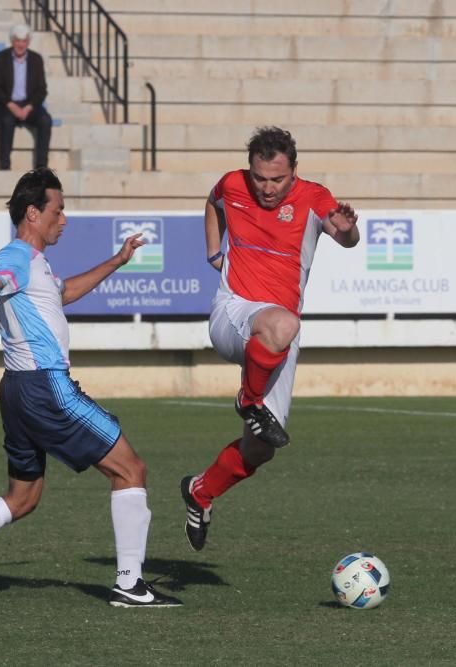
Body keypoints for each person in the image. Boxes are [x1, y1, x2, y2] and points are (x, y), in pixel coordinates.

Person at [0, 168, 182, 609]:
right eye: (59, 209)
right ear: (33, 213)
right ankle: (130, 584)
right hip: (46, 387)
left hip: (15, 390)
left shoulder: (35, 266)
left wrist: (117, 261)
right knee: (131, 470)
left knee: (22, 497)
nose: (64, 219)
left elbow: (63, 293)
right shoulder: (14, 257)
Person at [180, 126, 361, 552]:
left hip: (278, 335)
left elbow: (346, 238)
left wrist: (349, 230)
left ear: (293, 171)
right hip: (234, 313)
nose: (266, 188)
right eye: (260, 178)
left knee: (260, 448)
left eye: (277, 180)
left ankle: (200, 491)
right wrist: (213, 252)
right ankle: (249, 398)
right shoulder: (232, 184)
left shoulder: (315, 198)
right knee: (282, 326)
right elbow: (213, 202)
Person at [0, 23, 52, 171]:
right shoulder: (0, 58)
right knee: (7, 120)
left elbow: (42, 90)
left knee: (45, 120)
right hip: (6, 104)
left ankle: (41, 166)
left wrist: (29, 107)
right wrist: (11, 105)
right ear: (12, 41)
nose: (20, 45)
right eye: (17, 40)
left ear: (28, 42)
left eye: (24, 41)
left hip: (28, 104)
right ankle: (4, 165)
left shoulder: (36, 60)